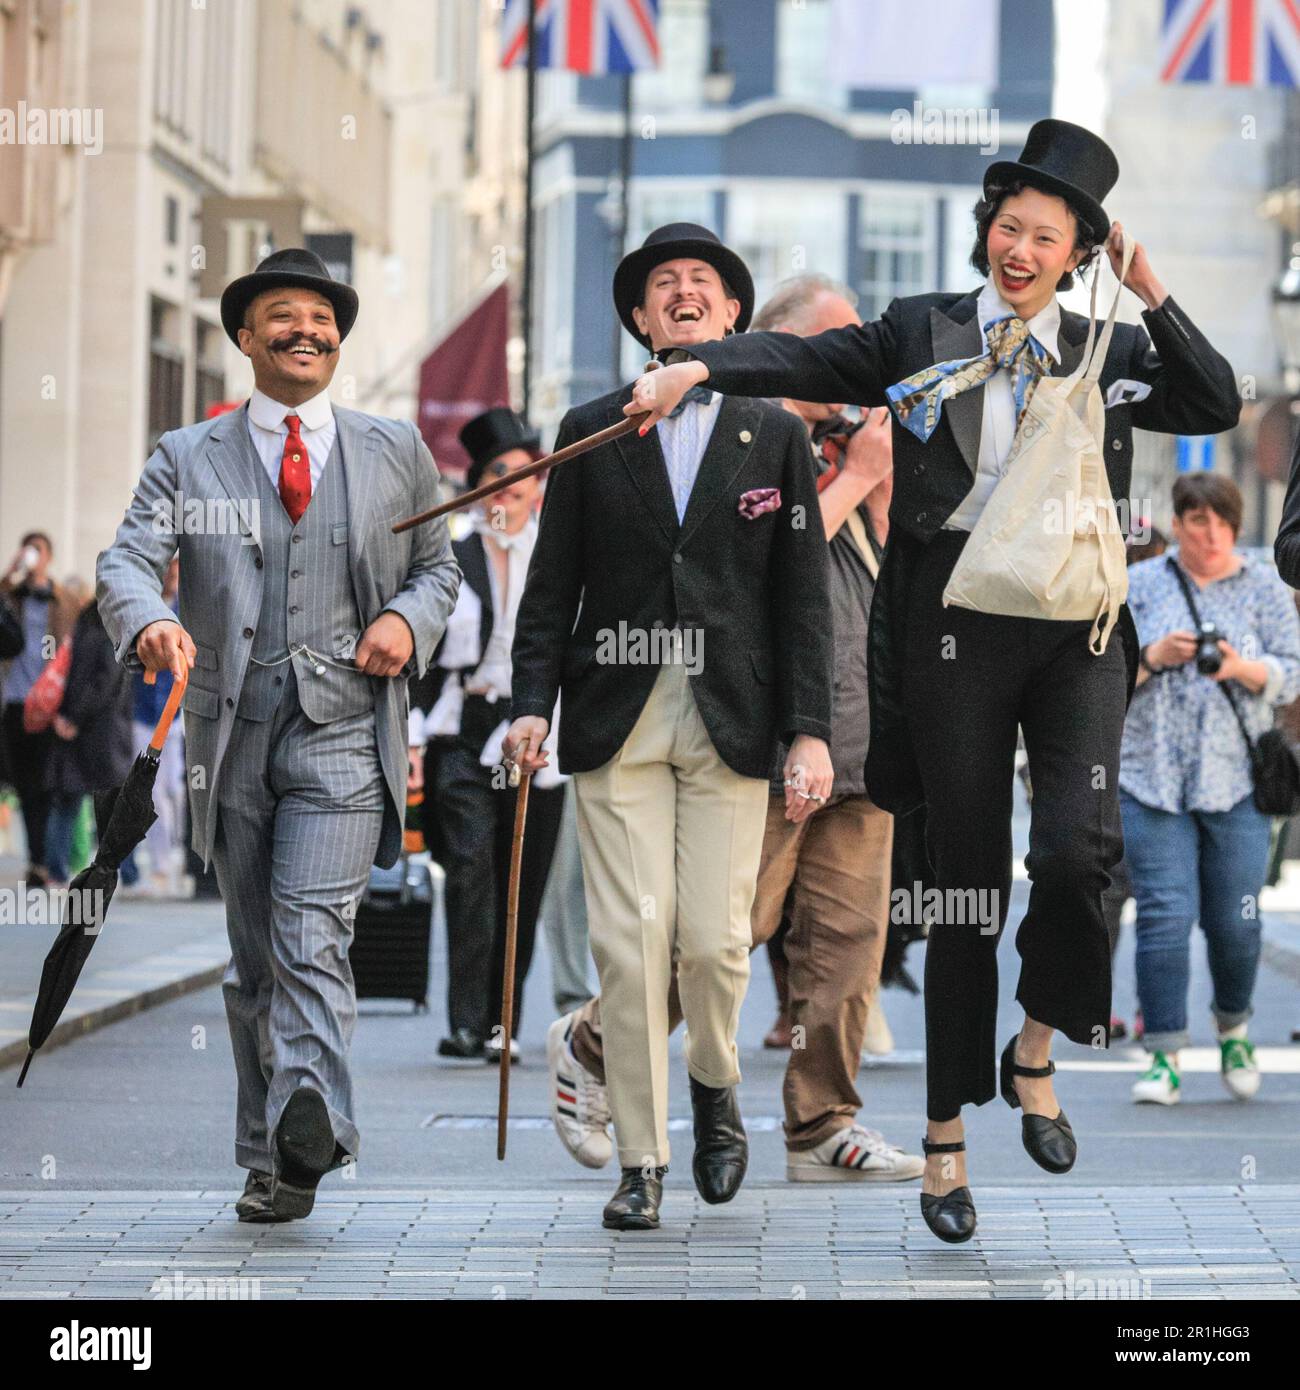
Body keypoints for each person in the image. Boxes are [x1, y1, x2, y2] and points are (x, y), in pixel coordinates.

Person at [624, 122, 1241, 1243]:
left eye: (1045, 237)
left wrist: (1150, 291)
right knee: (963, 884)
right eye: (1007, 227)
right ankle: (947, 1140)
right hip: (953, 624)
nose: (1019, 249)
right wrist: (698, 368)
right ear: (986, 232)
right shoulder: (923, 331)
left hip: (1074, 629)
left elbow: (1214, 401)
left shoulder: (1108, 343)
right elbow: (810, 361)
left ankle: (1038, 1046)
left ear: (1078, 251)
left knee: (1076, 850)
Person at [96, 248, 460, 1223]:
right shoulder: (187, 456)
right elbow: (126, 560)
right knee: (255, 955)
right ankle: (275, 1153)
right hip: (231, 735)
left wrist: (405, 621)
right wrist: (150, 622)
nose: (306, 331)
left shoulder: (395, 450)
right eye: (283, 317)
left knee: (311, 936)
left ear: (339, 337)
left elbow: (439, 568)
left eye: (321, 317)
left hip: (344, 730)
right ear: (247, 338)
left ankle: (308, 1114)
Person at [548, 274, 923, 1185]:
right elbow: (746, 579)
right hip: (755, 725)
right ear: (771, 346)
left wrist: (881, 490)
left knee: (845, 942)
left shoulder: (837, 439)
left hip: (861, 731)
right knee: (726, 932)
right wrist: (860, 477)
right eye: (830, 345)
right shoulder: (738, 439)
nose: (850, 365)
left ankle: (823, 1127)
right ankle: (596, 1045)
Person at [504, 224, 834, 1229]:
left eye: (703, 282)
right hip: (616, 719)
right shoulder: (593, 427)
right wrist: (528, 706)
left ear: (731, 316)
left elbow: (802, 598)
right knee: (631, 941)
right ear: (643, 319)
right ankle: (641, 1162)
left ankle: (716, 1081)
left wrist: (808, 729)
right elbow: (550, 585)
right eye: (663, 284)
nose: (683, 292)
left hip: (730, 719)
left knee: (715, 943)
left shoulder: (772, 434)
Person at [1123, 475, 1300, 1105]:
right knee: (1164, 917)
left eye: (1225, 522)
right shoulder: (1139, 586)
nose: (1213, 534)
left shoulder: (1262, 586)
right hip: (1151, 778)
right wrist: (1153, 658)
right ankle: (1165, 1054)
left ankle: (1234, 1029)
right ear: (1179, 522)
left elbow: (1291, 673)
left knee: (1236, 922)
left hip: (1237, 784)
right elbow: (1101, 675)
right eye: (1199, 521)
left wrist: (1239, 666)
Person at [411, 407, 565, 1062]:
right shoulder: (449, 556)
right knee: (472, 871)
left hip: (538, 736)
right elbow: (418, 660)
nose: (509, 483)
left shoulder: (559, 556)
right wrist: (413, 741)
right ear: (476, 484)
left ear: (539, 484)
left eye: (522, 471)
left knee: (520, 884)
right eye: (496, 473)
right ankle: (467, 1021)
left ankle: (505, 1023)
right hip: (463, 733)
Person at [1, 533, 79, 886]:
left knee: (48, 783)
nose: (34, 556)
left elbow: (74, 655)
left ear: (49, 556)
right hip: (16, 701)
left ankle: (47, 861)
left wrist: (70, 709)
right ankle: (36, 861)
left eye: (39, 550)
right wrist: (11, 570)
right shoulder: (12, 596)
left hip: (48, 704)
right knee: (24, 784)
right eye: (28, 549)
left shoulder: (63, 600)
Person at [44, 596, 135, 887]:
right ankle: (127, 874)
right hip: (103, 735)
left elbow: (68, 678)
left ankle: (57, 871)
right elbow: (105, 683)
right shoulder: (114, 633)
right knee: (112, 809)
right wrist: (74, 719)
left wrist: (66, 717)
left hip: (78, 731)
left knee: (68, 803)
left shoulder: (79, 630)